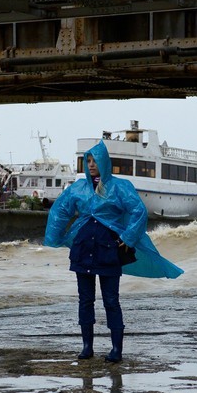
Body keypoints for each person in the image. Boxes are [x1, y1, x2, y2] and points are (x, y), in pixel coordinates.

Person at [44, 140, 183, 362]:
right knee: (85, 299)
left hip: (109, 249)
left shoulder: (120, 186)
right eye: (87, 161)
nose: (90, 165)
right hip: (83, 248)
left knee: (111, 300)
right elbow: (60, 210)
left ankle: (116, 349)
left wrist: (128, 237)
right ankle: (87, 346)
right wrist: (55, 237)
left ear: (104, 163)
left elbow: (138, 211)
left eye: (95, 161)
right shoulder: (78, 188)